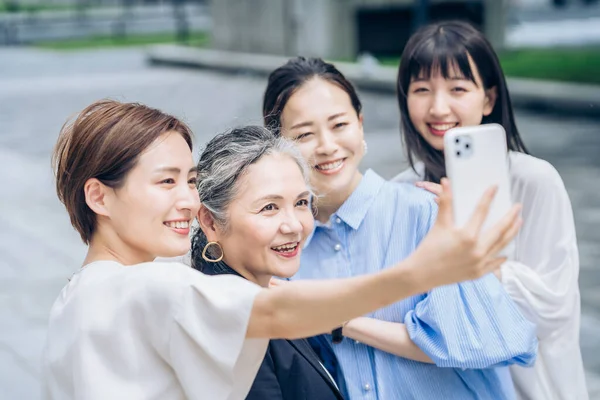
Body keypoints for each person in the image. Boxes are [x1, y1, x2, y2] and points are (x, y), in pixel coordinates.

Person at [43, 99, 520, 400]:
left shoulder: (76, 297)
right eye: (166, 182)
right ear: (98, 196)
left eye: (190, 181)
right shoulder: (149, 286)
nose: (188, 200)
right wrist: (419, 272)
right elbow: (274, 314)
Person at [263, 56, 538, 400]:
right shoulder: (286, 252)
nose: (327, 146)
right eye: (304, 134)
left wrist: (338, 319)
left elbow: (479, 341)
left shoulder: (426, 214)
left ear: (360, 125)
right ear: (278, 145)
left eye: (339, 125)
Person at [393, 20, 588, 400]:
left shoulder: (534, 181)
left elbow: (551, 311)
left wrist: (473, 249)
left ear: (488, 99)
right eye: (421, 90)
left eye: (458, 89)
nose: (438, 107)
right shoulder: (402, 191)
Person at [190, 126, 343, 400]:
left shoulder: (266, 297)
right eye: (269, 207)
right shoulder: (231, 324)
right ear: (210, 221)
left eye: (300, 202)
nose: (294, 225)